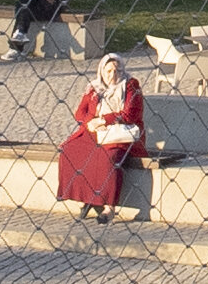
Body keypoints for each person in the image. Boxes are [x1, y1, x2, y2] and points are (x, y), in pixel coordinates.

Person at [57, 53, 146, 221]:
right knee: (70, 151)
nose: (113, 75)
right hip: (95, 131)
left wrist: (105, 119)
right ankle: (87, 197)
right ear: (102, 71)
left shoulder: (131, 85)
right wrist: (90, 122)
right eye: (109, 71)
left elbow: (130, 114)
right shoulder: (94, 87)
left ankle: (109, 207)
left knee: (109, 157)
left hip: (119, 134)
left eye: (117, 71)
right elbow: (80, 112)